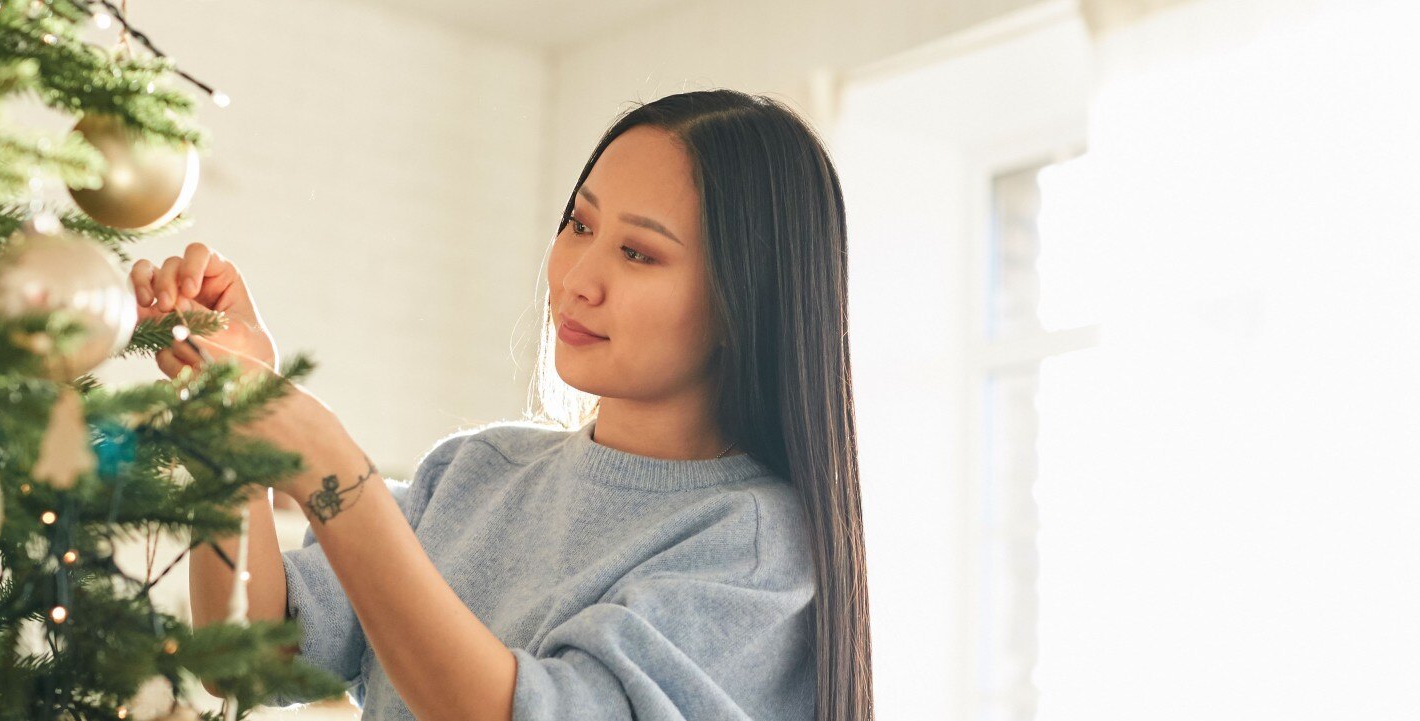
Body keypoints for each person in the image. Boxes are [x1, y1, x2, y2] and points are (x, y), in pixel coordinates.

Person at [137, 89, 872, 721]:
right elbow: (245, 657)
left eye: (639, 253)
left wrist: (336, 472)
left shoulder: (754, 544)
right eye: (580, 225)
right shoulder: (474, 472)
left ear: (744, 298)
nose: (578, 278)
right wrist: (234, 429)